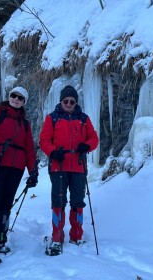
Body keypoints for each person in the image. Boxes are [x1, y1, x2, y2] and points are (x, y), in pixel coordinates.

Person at [0, 86, 38, 265]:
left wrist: (33, 171)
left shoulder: (24, 123)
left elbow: (29, 149)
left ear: (24, 102)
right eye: (14, 96)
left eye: (20, 98)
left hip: (16, 169)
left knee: (5, 206)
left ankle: (0, 241)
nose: (16, 99)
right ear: (9, 96)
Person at [39, 85, 99, 256]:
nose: (69, 103)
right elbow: (44, 139)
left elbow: (94, 138)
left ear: (75, 103)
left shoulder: (84, 119)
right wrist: (52, 152)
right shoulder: (52, 118)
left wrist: (87, 145)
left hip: (78, 166)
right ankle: (57, 237)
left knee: (78, 201)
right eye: (66, 101)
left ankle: (76, 235)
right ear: (61, 101)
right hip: (59, 165)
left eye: (72, 101)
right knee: (58, 202)